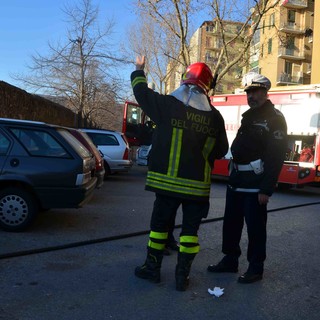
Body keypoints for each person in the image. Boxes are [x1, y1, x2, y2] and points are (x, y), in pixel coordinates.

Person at [131, 56, 228, 291]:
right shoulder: (214, 117)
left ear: (185, 80)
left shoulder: (167, 106)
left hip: (166, 185)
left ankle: (152, 269)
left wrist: (139, 70)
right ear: (207, 86)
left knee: (159, 228)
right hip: (196, 189)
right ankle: (182, 277)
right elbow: (222, 149)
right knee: (189, 234)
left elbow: (142, 94)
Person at [207, 72, 288, 283]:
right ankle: (230, 259)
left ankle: (256, 267)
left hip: (255, 183)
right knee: (231, 223)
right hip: (237, 179)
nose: (250, 96)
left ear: (265, 92)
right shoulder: (249, 116)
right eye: (248, 92)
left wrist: (266, 188)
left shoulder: (275, 119)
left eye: (254, 91)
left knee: (255, 227)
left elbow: (276, 155)